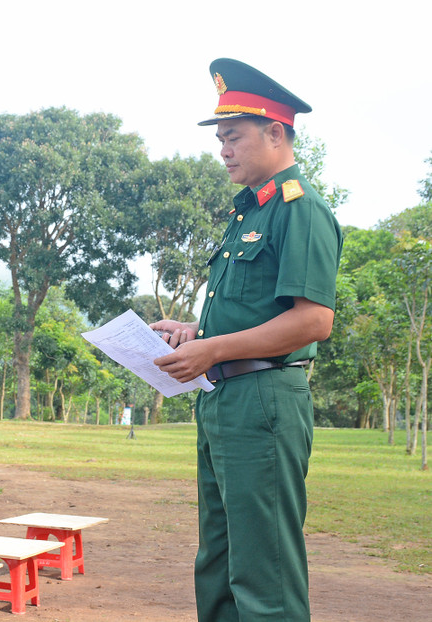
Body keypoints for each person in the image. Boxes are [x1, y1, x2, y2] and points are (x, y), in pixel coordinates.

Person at [152, 59, 343, 621]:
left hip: (264, 401)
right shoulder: (248, 214)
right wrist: (197, 333)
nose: (223, 150)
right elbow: (254, 313)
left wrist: (211, 350)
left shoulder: (298, 210)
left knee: (264, 570)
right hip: (225, 401)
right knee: (219, 561)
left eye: (232, 137)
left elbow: (312, 321)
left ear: (275, 133)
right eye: (220, 139)